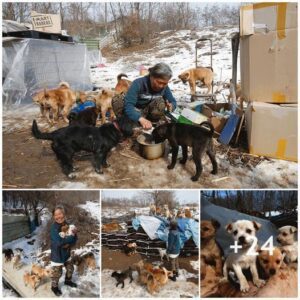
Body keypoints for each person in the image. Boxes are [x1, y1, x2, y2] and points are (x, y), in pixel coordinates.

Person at [112, 62, 177, 129]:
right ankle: (125, 125)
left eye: (165, 83)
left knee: (160, 101)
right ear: (151, 76)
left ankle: (153, 125)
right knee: (117, 99)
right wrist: (140, 118)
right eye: (159, 82)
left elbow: (173, 101)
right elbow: (128, 105)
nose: (161, 86)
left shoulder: (164, 88)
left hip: (148, 113)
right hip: (134, 112)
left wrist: (171, 106)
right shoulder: (138, 84)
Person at [50, 205, 77, 296]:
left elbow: (75, 238)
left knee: (70, 268)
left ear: (64, 214)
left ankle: (68, 281)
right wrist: (70, 238)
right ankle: (54, 287)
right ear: (54, 217)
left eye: (60, 213)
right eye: (56, 215)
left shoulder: (69, 225)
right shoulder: (54, 228)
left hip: (66, 253)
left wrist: (69, 242)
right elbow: (59, 242)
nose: (59, 216)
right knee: (57, 273)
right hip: (57, 255)